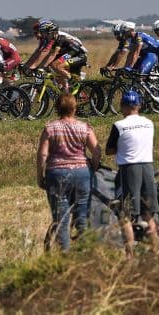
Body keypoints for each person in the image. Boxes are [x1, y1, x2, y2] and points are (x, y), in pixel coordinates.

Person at [36, 93, 101, 251]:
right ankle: (85, 251)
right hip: (82, 173)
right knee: (82, 216)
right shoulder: (84, 127)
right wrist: (94, 166)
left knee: (61, 219)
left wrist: (40, 176)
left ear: (57, 108)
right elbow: (97, 150)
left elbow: (43, 154)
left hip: (56, 174)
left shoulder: (50, 128)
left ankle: (64, 254)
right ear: (74, 108)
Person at [105, 90, 159, 256]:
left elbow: (109, 150)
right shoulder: (149, 123)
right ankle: (154, 253)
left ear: (122, 106)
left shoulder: (119, 125)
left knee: (125, 214)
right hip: (148, 167)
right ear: (139, 105)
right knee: (148, 214)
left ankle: (130, 256)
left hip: (129, 169)